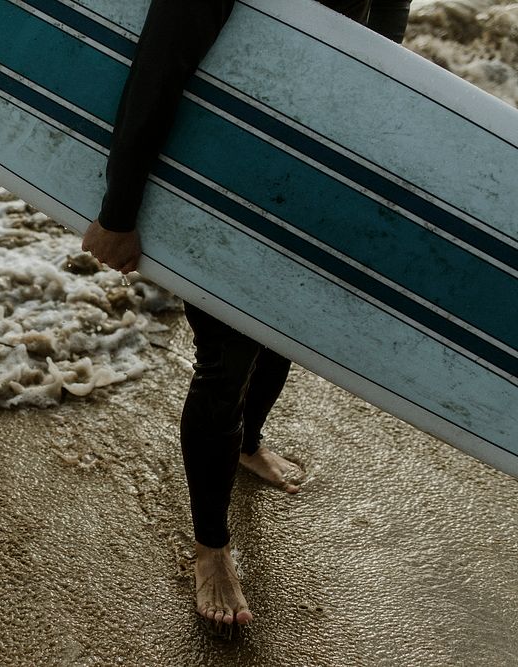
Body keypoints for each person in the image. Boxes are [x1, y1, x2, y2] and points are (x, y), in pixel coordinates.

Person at [81, 0, 412, 628]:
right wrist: (120, 211)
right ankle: (211, 551)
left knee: (283, 333)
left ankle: (248, 442)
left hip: (305, 171)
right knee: (225, 360)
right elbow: (159, 68)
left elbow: (382, 57)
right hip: (216, 174)